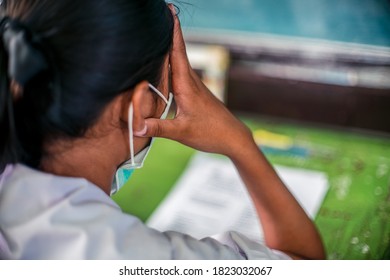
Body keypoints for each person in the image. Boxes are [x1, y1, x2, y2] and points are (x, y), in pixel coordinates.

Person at [0, 0, 325, 260]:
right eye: (169, 76)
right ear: (140, 104)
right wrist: (239, 142)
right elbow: (301, 260)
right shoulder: (122, 256)